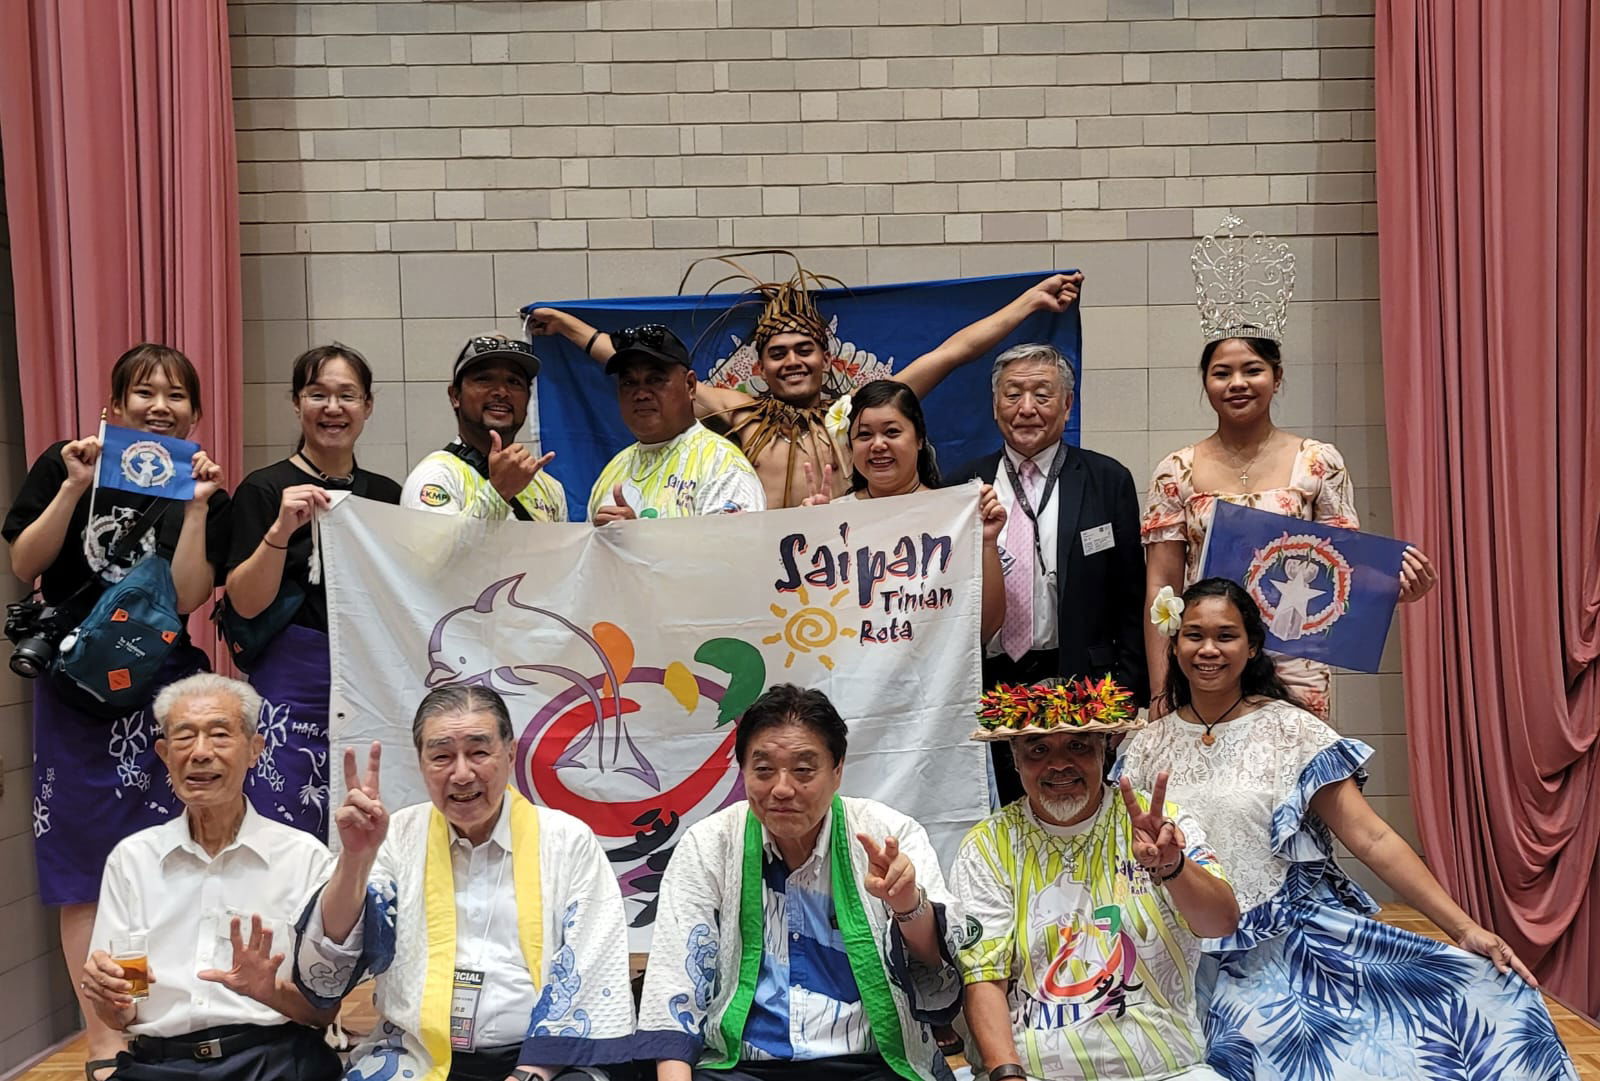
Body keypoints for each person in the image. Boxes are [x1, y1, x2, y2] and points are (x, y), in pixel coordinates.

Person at [1117, 578, 1578, 1081]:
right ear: (1174, 641)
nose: (1208, 649)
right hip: (1178, 955)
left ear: (1252, 647)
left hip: (1286, 950)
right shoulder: (1146, 746)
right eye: (1193, 635)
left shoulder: (1291, 730)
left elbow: (1372, 838)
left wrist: (1464, 928)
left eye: (1225, 635)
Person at [2, 343, 229, 1071]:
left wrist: (195, 511)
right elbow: (24, 563)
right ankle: (108, 1035)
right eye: (143, 392)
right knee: (86, 870)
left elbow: (190, 596)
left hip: (161, 698)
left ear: (195, 414)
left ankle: (164, 1019)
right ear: (115, 404)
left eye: (175, 396)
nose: (159, 406)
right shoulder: (67, 461)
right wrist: (72, 486)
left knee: (172, 859)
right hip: (78, 696)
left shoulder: (201, 490)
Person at [1142, 216, 1436, 720]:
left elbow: (1345, 570)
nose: (1238, 382)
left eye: (1252, 370)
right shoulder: (1176, 472)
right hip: (1206, 666)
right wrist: (1160, 693)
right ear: (1206, 383)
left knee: (1299, 789)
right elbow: (1160, 589)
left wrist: (1395, 587)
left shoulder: (1318, 463)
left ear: (1277, 378)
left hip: (1297, 664)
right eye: (1222, 372)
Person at [293, 684, 635, 1081]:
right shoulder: (397, 834)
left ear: (509, 754)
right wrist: (355, 859)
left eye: (478, 752)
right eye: (441, 756)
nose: (461, 773)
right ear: (421, 764)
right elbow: (331, 961)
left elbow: (592, 967)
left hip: (548, 1060)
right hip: (416, 1054)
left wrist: (529, 1074)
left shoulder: (566, 840)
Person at [531, 263, 1083, 508]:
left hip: (842, 576)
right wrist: (570, 329)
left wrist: (1031, 302)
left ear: (826, 357)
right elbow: (643, 375)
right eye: (777, 354)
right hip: (762, 577)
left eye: (803, 350)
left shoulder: (854, 415)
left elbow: (953, 353)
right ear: (761, 365)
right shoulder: (738, 413)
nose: (792, 362)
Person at [637, 683, 966, 1081]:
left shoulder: (889, 833)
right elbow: (675, 981)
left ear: (838, 770)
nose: (781, 788)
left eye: (803, 770)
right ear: (743, 771)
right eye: (763, 770)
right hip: (741, 1068)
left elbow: (935, 968)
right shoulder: (708, 845)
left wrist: (907, 905)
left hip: (872, 1064)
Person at [952, 678, 1240, 1081]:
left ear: (1104, 750)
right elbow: (984, 976)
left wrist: (1172, 866)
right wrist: (1009, 1076)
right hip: (1033, 1073)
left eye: (1078, 745)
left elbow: (1221, 923)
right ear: (1014, 759)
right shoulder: (988, 845)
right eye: (1038, 749)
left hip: (1167, 1071)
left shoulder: (1163, 825)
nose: (1058, 764)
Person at [78, 673, 341, 1081]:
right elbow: (121, 1012)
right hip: (159, 1066)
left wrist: (269, 991)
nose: (200, 752)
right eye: (184, 738)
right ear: (164, 753)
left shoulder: (304, 859)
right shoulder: (133, 860)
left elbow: (324, 1011)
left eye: (219, 735)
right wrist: (108, 997)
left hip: (274, 1060)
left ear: (255, 749)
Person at [946, 343, 1148, 805]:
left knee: (1077, 807)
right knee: (1003, 812)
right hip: (992, 681)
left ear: (1067, 404)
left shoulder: (1105, 479)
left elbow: (1130, 596)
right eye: (1013, 394)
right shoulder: (960, 486)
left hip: (1083, 680)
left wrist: (1130, 694)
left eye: (1042, 394)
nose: (1027, 409)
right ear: (995, 404)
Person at [224, 344, 402, 838]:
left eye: (347, 395)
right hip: (291, 680)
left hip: (373, 681)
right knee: (283, 821)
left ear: (368, 405)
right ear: (296, 402)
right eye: (318, 394)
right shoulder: (264, 490)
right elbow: (243, 600)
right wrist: (280, 530)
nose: (333, 408)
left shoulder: (387, 495)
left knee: (368, 818)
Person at [800, 378, 1007, 643]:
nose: (877, 445)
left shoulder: (956, 518)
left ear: (919, 438)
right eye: (864, 435)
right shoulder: (832, 518)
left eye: (892, 432)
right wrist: (811, 536)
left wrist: (987, 542)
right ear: (850, 446)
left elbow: (985, 629)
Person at [588, 324, 765, 522]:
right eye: (629, 383)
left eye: (655, 380)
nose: (641, 394)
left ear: (690, 386)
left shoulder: (721, 463)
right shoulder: (613, 470)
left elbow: (736, 549)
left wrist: (637, 539)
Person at [400, 333, 567, 521]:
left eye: (514, 382)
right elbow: (435, 550)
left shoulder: (550, 488)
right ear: (455, 396)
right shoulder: (436, 475)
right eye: (484, 379)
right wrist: (497, 494)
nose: (502, 392)